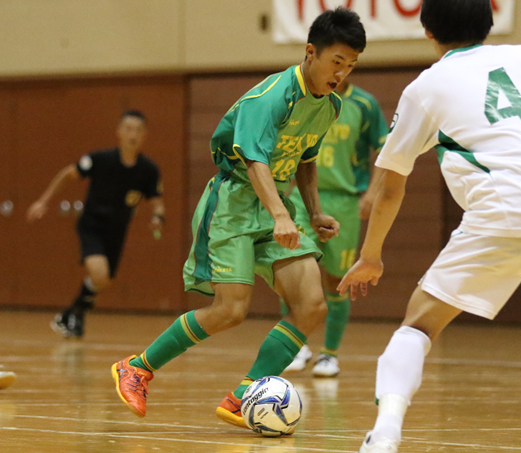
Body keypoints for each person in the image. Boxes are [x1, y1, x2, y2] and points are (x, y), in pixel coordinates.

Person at [338, 1, 521, 452]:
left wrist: (370, 255)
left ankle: (384, 433)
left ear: (426, 30)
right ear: (489, 22)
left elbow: (389, 188)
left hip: (500, 212)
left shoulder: (424, 88)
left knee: (418, 327)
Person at [111, 8, 366, 427]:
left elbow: (305, 158)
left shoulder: (329, 106)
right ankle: (138, 367)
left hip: (280, 201)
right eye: (336, 62)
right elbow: (253, 158)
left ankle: (245, 393)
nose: (342, 73)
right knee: (230, 310)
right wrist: (281, 214)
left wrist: (314, 211)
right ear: (310, 53)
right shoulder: (271, 96)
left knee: (312, 304)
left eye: (351, 66)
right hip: (235, 202)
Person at [27, 110, 165, 339]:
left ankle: (71, 315)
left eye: (138, 130)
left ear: (144, 135)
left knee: (105, 281)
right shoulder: (99, 160)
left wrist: (157, 218)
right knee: (99, 274)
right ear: (119, 132)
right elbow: (67, 174)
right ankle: (73, 316)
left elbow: (157, 202)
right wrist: (43, 201)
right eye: (128, 129)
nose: (133, 134)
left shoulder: (148, 170)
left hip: (117, 231)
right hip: (92, 225)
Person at [283, 79, 388, 377]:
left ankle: (329, 354)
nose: (339, 71)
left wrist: (372, 193)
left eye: (347, 63)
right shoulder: (303, 100)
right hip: (303, 198)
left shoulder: (364, 105)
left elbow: (383, 150)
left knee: (336, 279)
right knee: (291, 269)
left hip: (344, 200)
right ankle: (296, 345)